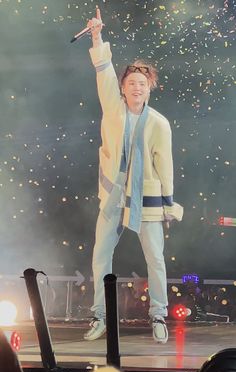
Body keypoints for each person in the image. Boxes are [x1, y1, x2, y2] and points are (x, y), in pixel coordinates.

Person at [83, 8, 183, 343]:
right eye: (131, 83)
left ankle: (159, 316)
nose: (136, 87)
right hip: (113, 196)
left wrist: (168, 204)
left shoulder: (159, 122)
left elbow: (164, 165)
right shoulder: (113, 107)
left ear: (150, 87)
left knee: (155, 259)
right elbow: (103, 71)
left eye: (142, 83)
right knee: (100, 255)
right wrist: (97, 35)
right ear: (122, 88)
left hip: (148, 199)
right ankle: (100, 317)